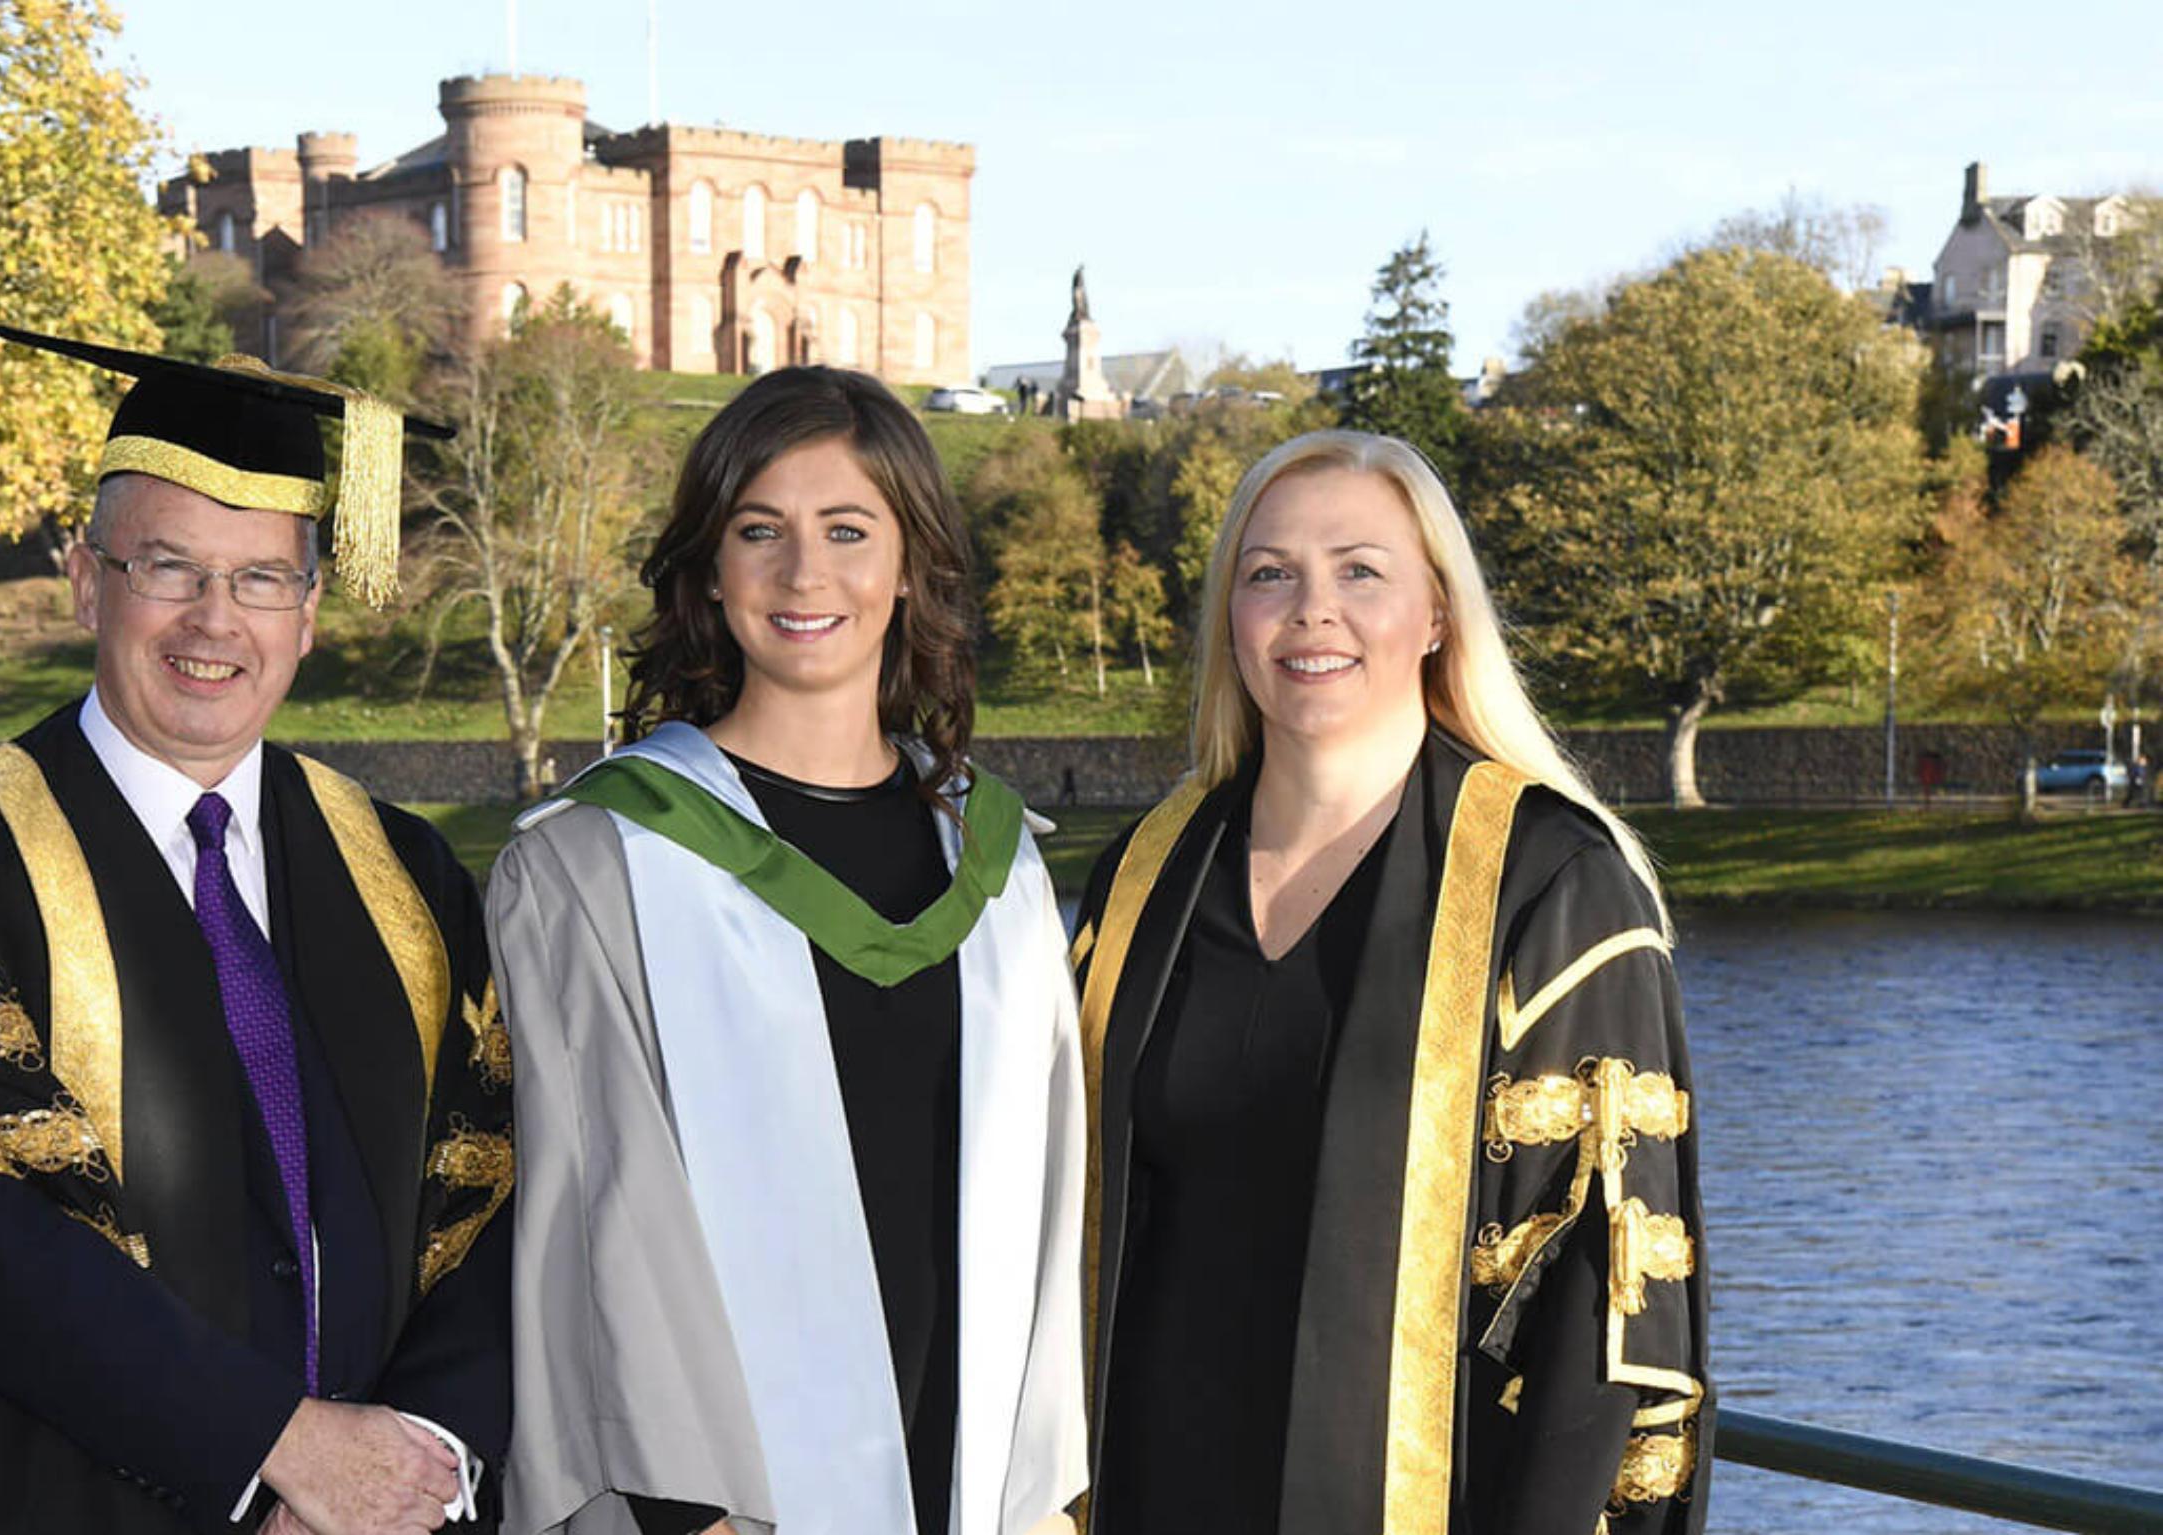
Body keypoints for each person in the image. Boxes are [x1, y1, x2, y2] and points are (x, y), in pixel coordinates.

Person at [0, 330, 512, 1534]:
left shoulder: (411, 876)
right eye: (168, 567)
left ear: (310, 611)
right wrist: (280, 1452)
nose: (214, 621)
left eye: (260, 578)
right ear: (89, 581)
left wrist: (412, 1463)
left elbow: (496, 1194)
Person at [1072, 429, 1709, 1535]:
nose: (1310, 609)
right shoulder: (1143, 876)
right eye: (1267, 573)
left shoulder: (1551, 881)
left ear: (1434, 614)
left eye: (1358, 570)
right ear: (1230, 615)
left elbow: (1600, 1325)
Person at [490, 366, 1087, 1535]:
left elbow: (1056, 1202)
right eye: (758, 530)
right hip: (716, 1505)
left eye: (848, 530)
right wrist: (689, 1511)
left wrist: (1049, 1487)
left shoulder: (1001, 862)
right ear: (709, 572)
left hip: (975, 1484)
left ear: (908, 563)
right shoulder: (597, 862)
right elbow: (592, 1218)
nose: (804, 574)